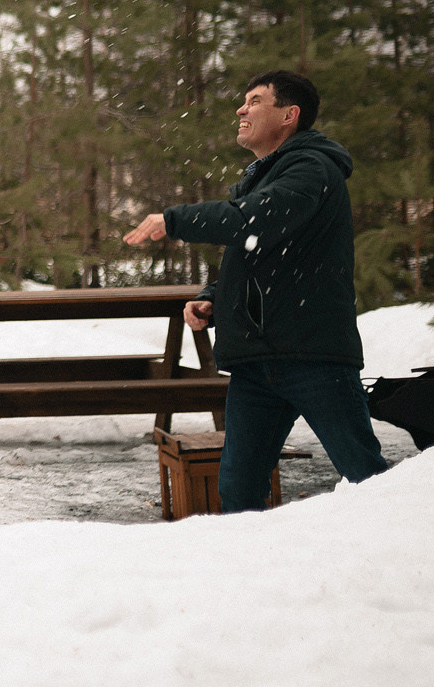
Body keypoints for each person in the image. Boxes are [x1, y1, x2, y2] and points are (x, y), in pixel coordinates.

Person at [123, 69, 389, 510]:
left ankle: (412, 560)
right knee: (239, 491)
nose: (240, 110)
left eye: (255, 101)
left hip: (313, 356)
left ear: (290, 115)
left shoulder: (312, 170)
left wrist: (173, 220)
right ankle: (255, 576)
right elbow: (256, 252)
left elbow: (251, 220)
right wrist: (213, 294)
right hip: (256, 364)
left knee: (366, 477)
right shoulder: (264, 176)